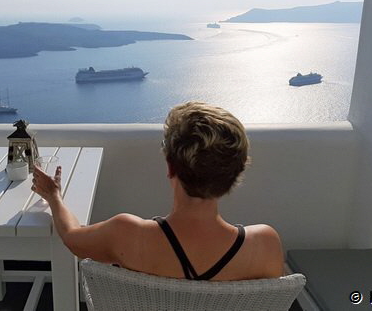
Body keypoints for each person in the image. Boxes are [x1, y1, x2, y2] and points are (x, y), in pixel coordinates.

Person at [32, 101, 284, 281]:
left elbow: (72, 237)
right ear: (235, 172)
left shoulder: (126, 235)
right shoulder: (264, 245)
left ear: (171, 167)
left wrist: (54, 197)